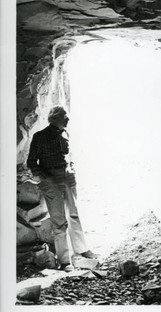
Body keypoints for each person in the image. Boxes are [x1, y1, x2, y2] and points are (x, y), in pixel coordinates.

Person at [27, 106, 98, 272]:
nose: (68, 120)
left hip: (66, 178)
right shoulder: (40, 136)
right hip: (51, 180)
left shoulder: (64, 134)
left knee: (74, 214)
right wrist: (46, 179)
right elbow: (32, 162)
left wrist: (70, 170)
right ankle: (65, 261)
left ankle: (81, 250)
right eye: (64, 117)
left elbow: (67, 156)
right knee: (59, 220)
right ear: (55, 118)